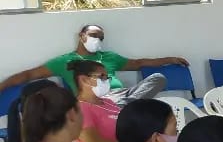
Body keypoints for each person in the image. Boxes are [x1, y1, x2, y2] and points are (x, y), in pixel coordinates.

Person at [0, 24, 187, 104]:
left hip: (122, 95)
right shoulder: (65, 61)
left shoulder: (109, 56)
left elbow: (139, 63)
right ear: (82, 37)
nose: (98, 40)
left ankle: (125, 104)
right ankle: (124, 106)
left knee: (158, 78)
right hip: (93, 100)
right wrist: (2, 86)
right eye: (94, 36)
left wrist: (169, 59)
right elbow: (29, 75)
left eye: (101, 37)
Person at [71, 60, 121, 142]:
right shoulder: (79, 109)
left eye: (107, 77)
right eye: (102, 77)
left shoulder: (108, 102)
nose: (106, 81)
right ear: (84, 80)